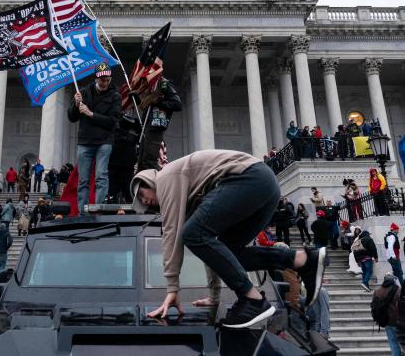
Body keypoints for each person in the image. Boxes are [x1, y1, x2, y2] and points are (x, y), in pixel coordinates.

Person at [130, 150, 327, 328]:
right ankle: (302, 260)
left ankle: (253, 300)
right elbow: (213, 251)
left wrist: (172, 288)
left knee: (191, 233)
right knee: (227, 250)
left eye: (141, 194)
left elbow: (172, 235)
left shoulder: (166, 177)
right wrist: (214, 297)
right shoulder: (189, 194)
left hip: (249, 178)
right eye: (142, 203)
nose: (145, 201)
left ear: (148, 181)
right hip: (265, 185)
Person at [68, 62, 122, 213]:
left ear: (110, 78)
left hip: (104, 141)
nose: (104, 82)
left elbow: (113, 122)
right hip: (85, 141)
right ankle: (82, 211)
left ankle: (99, 210)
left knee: (101, 176)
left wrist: (91, 114)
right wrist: (76, 104)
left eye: (107, 79)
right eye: (101, 79)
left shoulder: (115, 96)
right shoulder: (84, 92)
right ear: (96, 78)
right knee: (83, 180)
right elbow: (72, 117)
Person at [136, 77, 182, 172]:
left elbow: (177, 104)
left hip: (156, 126)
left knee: (149, 160)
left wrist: (159, 102)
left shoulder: (163, 84)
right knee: (142, 161)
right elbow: (147, 106)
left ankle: (158, 183)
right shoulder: (150, 86)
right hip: (146, 126)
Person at [108, 114, 141, 203]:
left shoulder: (133, 131)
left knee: (127, 193)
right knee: (114, 193)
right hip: (115, 165)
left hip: (125, 166)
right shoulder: (114, 128)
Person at [372, 274, 401, 356]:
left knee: (392, 341)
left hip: (386, 320)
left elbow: (374, 305)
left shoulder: (377, 291)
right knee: (400, 341)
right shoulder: (398, 289)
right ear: (393, 280)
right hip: (398, 320)